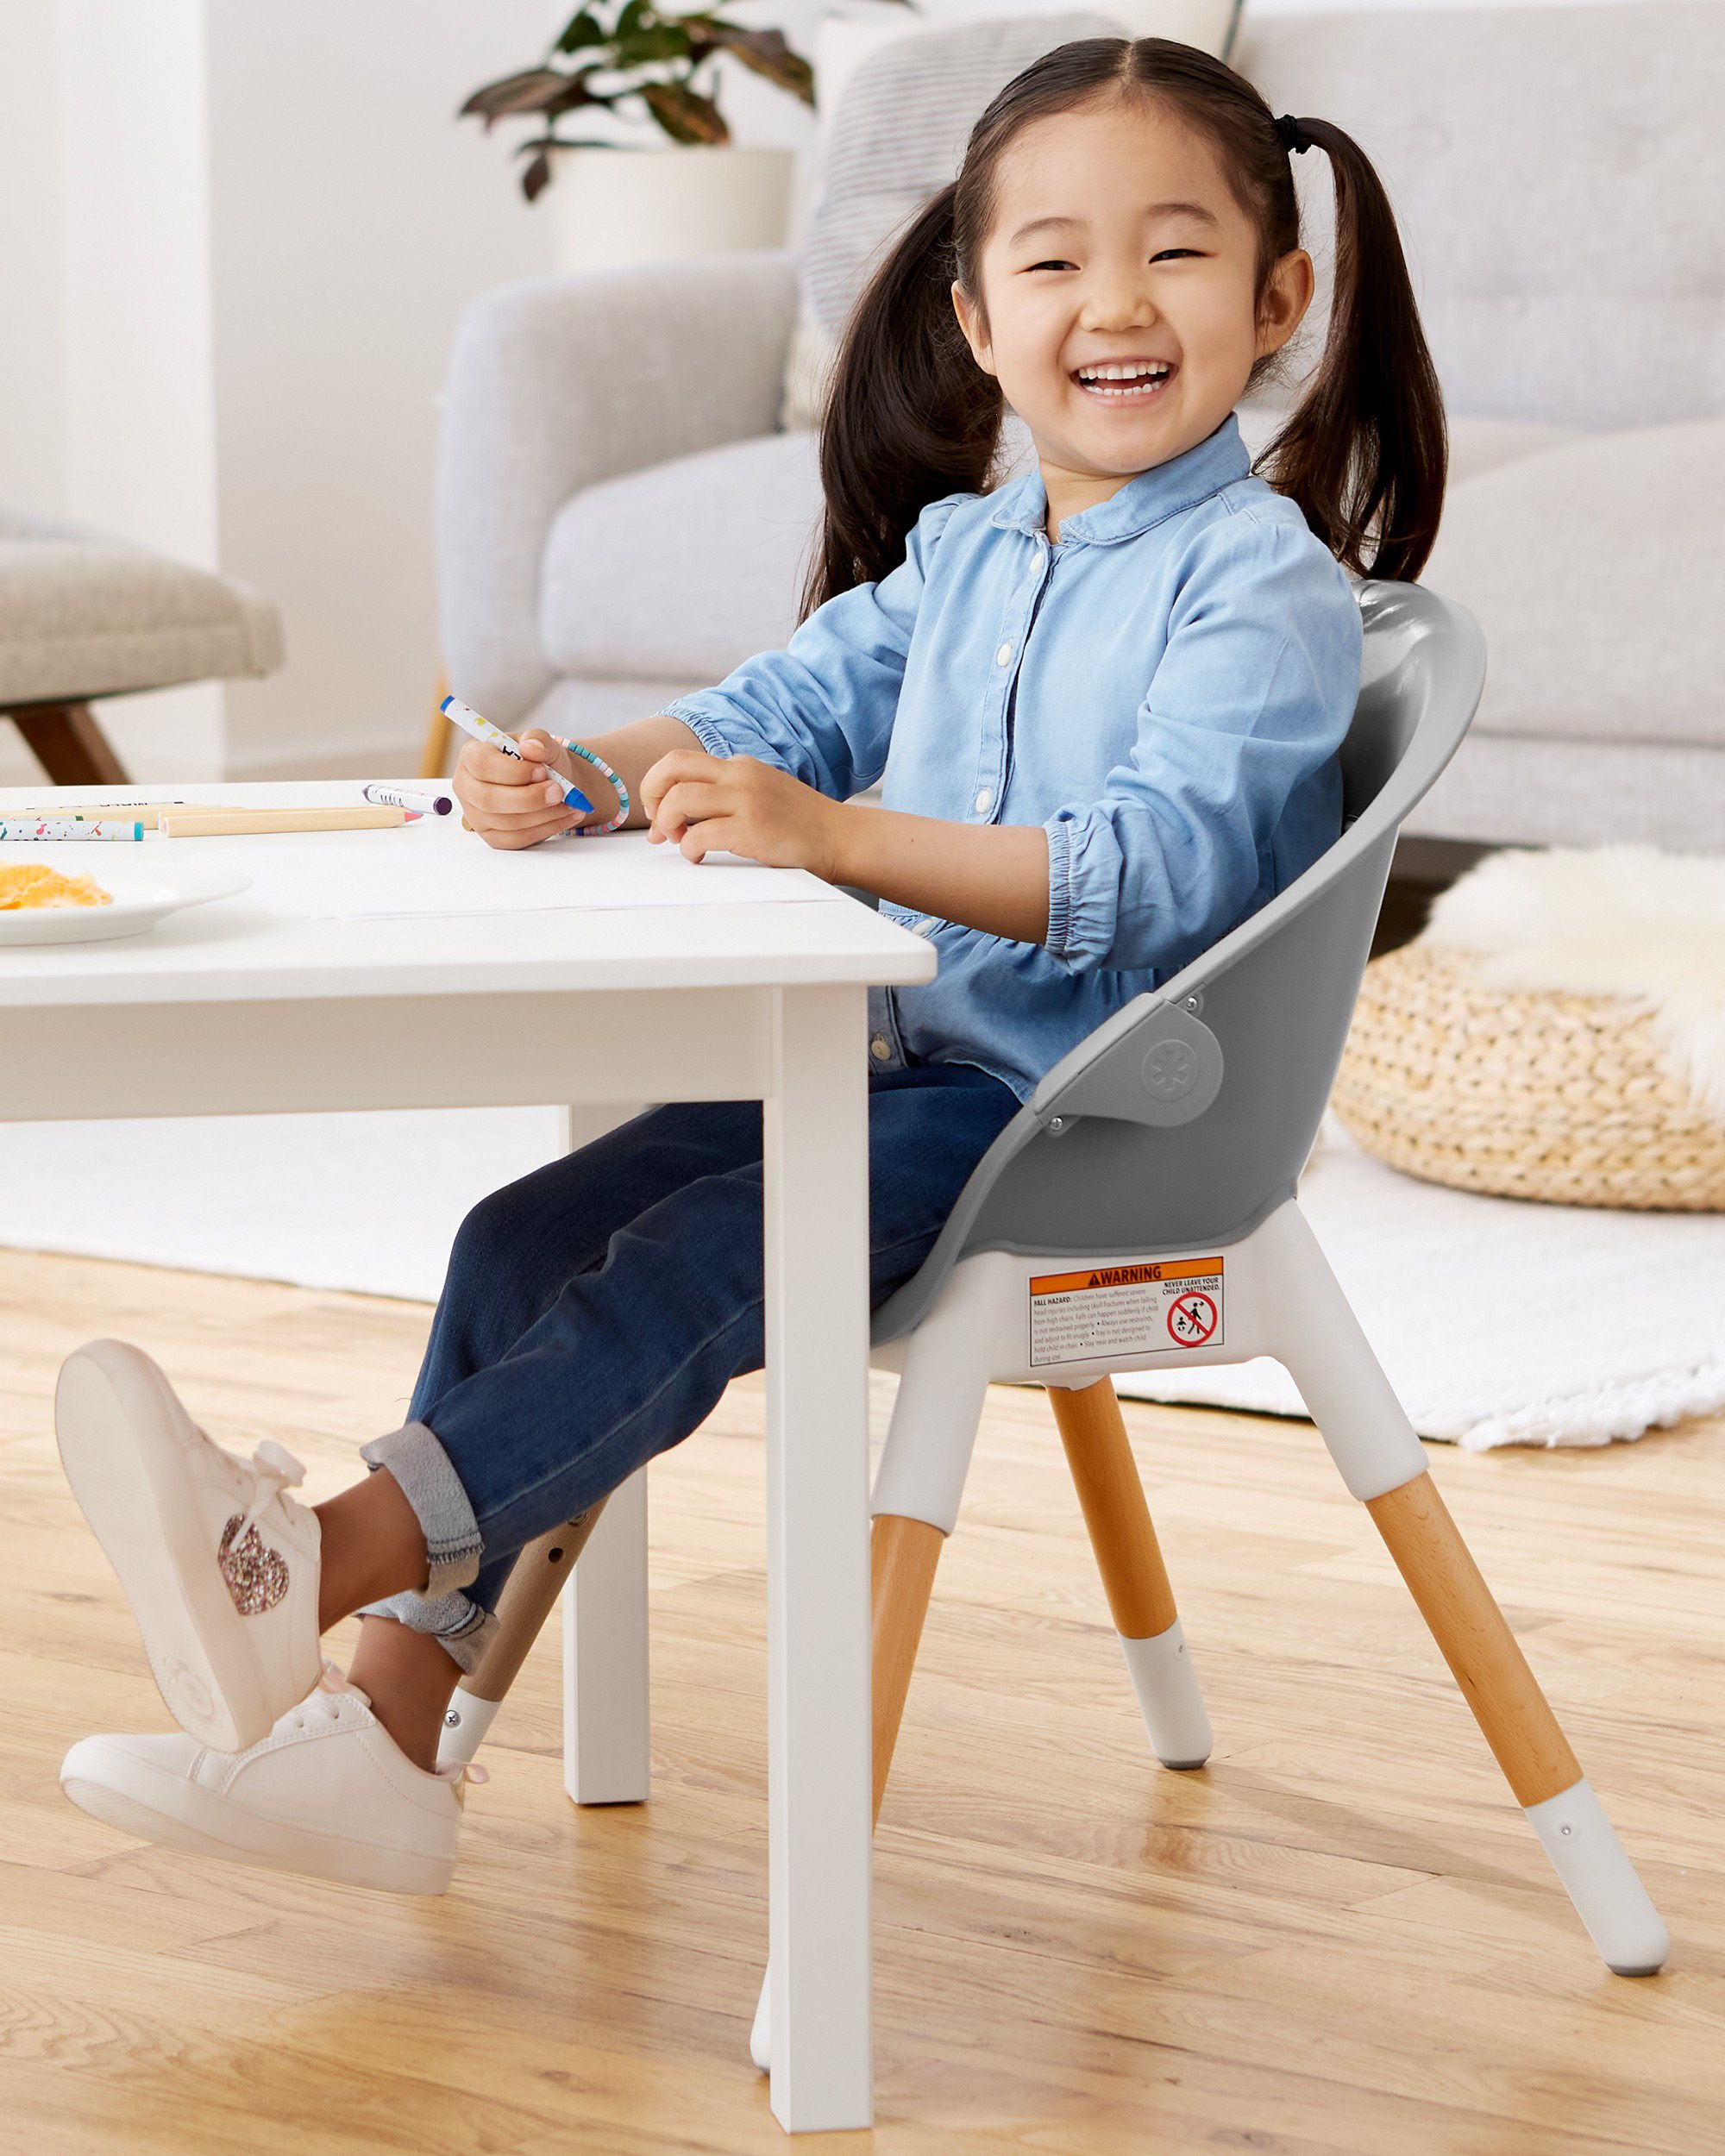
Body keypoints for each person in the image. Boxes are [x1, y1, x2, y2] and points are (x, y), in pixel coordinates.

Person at [53, 35, 1446, 1895]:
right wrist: (571, 774)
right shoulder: (964, 555)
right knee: (524, 1236)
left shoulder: (1254, 587)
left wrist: (828, 831)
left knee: (707, 1251)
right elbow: (763, 713)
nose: (1113, 302)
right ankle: (383, 1733)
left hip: (1077, 1116)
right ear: (972, 316)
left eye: (1173, 254)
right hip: (906, 1073)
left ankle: (310, 1561)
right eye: (1050, 261)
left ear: (1278, 297)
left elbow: (1151, 877)